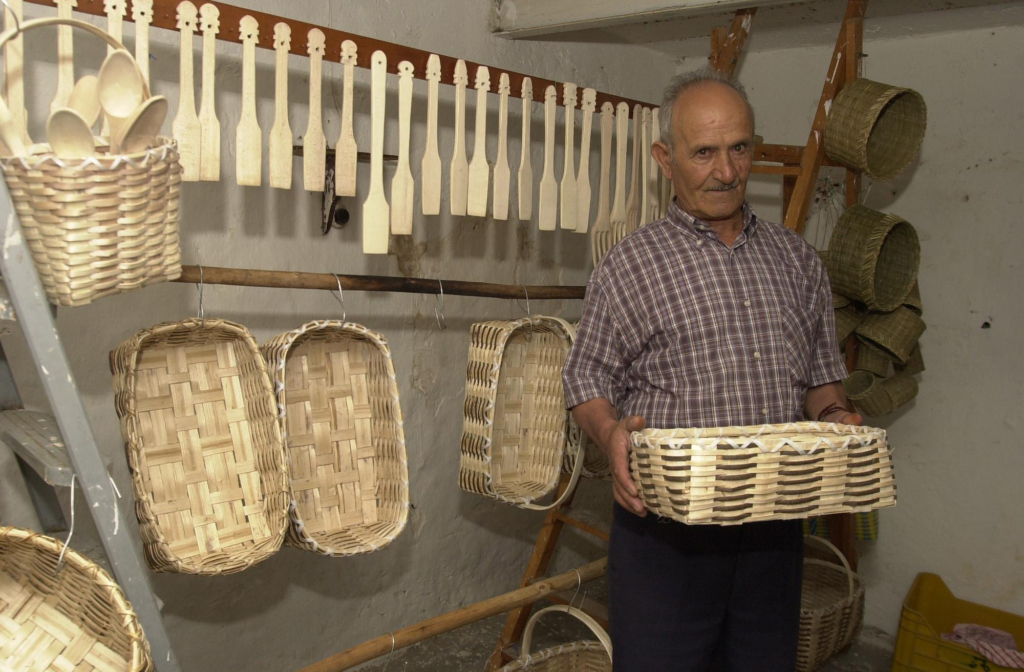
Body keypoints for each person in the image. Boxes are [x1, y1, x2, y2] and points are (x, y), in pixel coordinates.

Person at [561, 67, 863, 671]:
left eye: (739, 149)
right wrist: (609, 432)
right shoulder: (630, 265)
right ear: (664, 158)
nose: (726, 172)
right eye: (704, 152)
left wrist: (836, 416)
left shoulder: (797, 261)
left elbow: (819, 378)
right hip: (664, 533)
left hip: (773, 526)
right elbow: (586, 378)